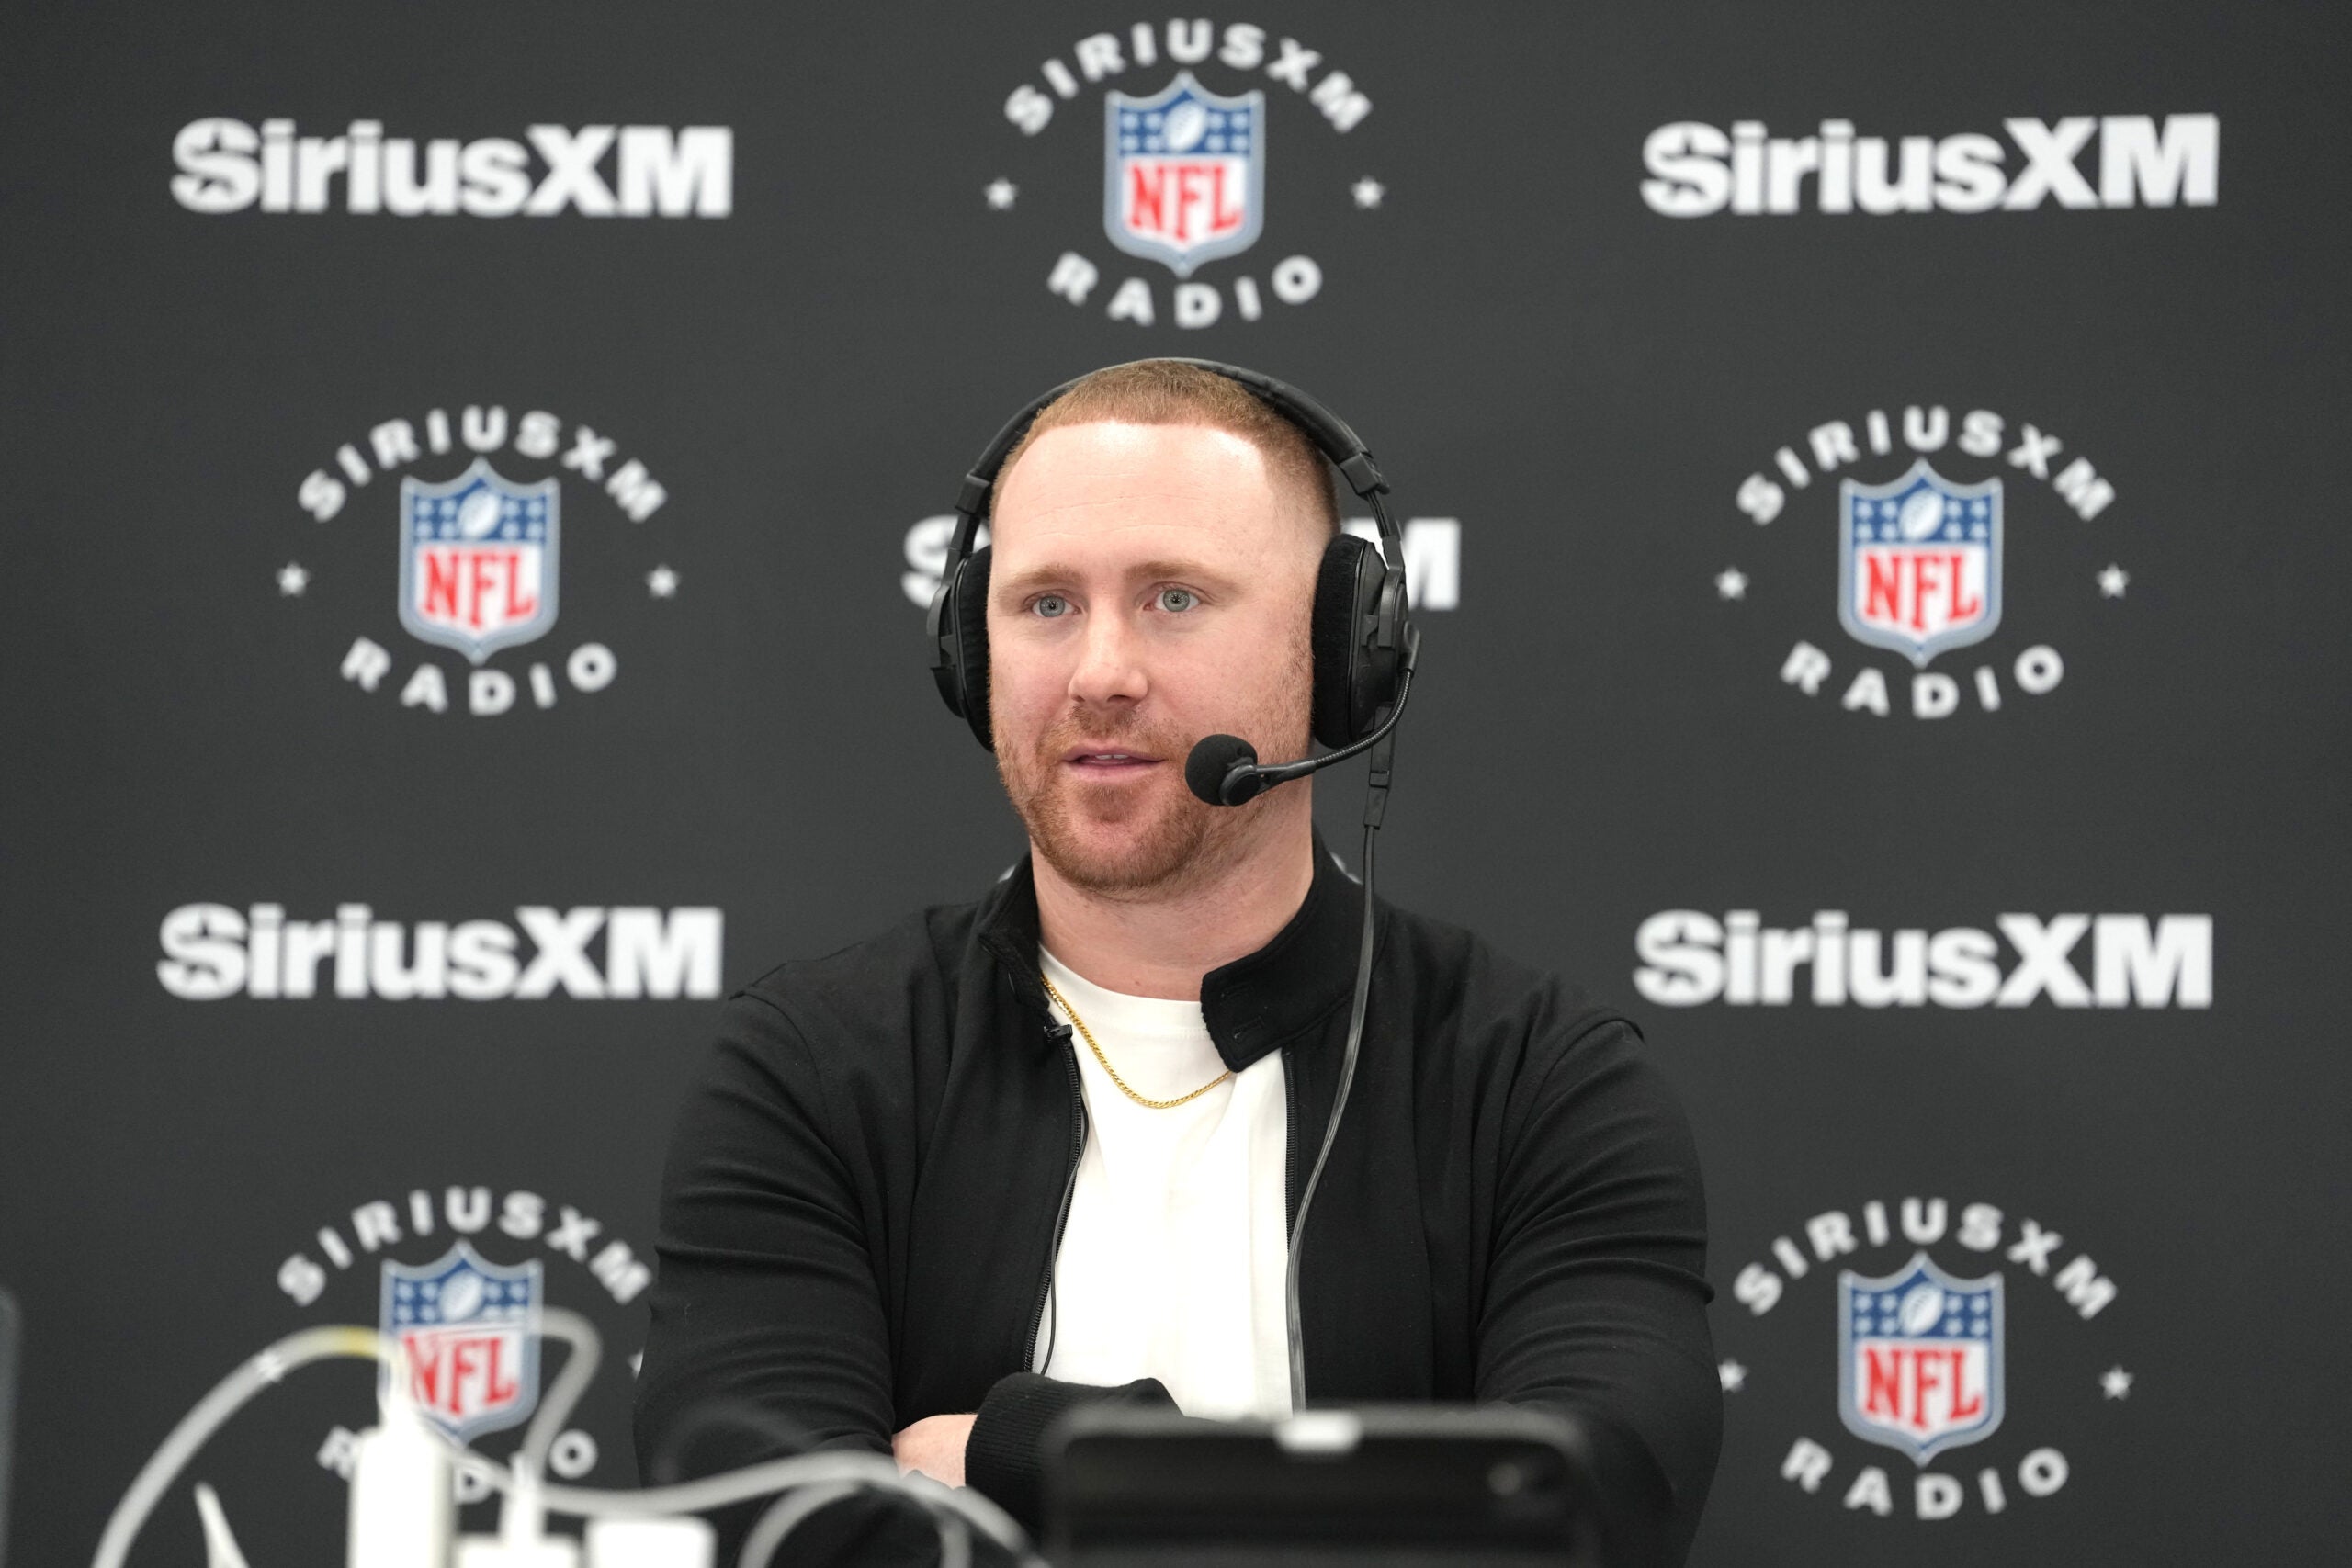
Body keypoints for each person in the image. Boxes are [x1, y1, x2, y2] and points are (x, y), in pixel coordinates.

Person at [634, 360, 1722, 1562]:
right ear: (967, 647)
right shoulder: (815, 1072)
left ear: (1341, 647)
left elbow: (1588, 1515)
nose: (1100, 672)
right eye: (1046, 604)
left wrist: (1034, 1450)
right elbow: (769, 1526)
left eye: (1175, 599)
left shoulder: (1538, 1084)